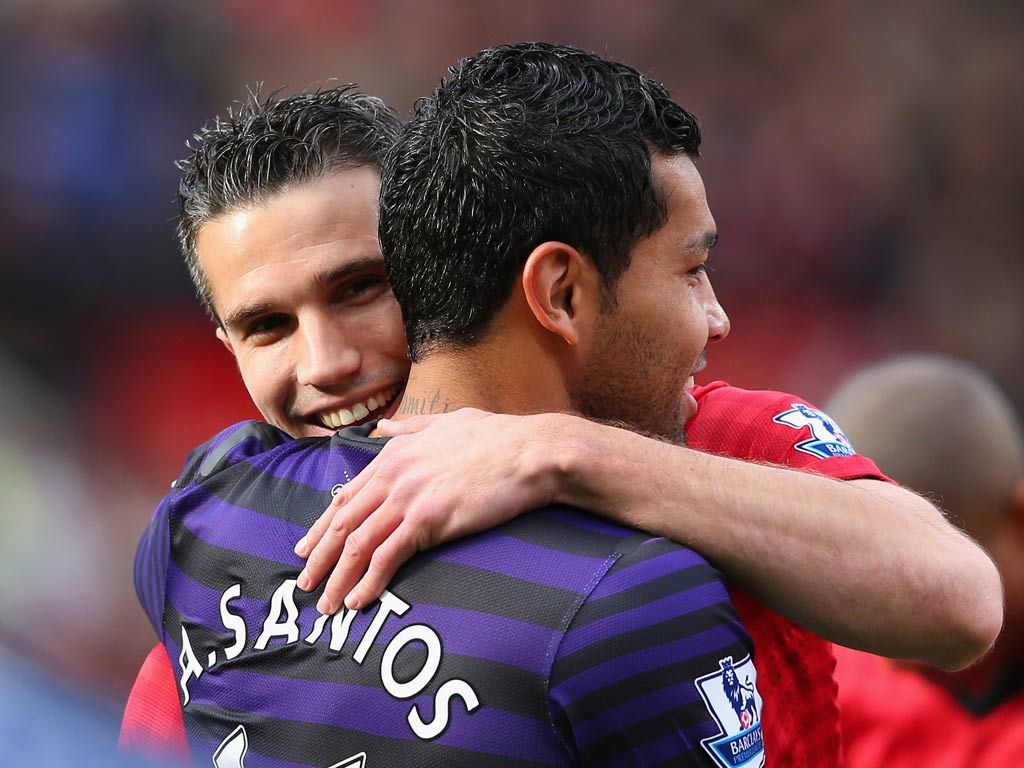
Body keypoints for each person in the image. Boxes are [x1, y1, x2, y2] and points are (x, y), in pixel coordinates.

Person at [120, 66, 1001, 765]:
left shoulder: (695, 429)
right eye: (267, 326)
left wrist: (559, 450)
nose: (326, 364)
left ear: (435, 258)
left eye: (361, 289)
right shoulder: (233, 548)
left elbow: (953, 601)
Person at [824, 355, 1024, 767]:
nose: (894, 661)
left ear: (1018, 522)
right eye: (860, 608)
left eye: (928, 597)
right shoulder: (828, 692)